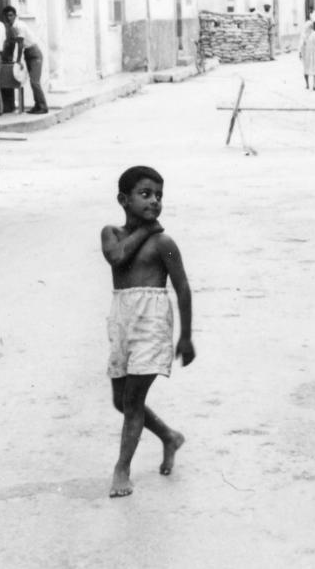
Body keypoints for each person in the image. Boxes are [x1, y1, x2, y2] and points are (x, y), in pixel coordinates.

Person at [100, 166, 195, 498]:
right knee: (120, 400)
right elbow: (117, 258)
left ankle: (121, 470)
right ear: (123, 200)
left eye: (159, 196)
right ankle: (169, 436)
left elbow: (183, 288)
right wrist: (146, 228)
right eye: (146, 194)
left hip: (152, 326)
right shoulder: (111, 233)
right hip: (122, 323)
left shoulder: (163, 243)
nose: (154, 201)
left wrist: (185, 336)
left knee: (133, 399)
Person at [2, 6, 49, 114]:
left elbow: (20, 45)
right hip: (28, 53)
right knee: (33, 82)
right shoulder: (13, 27)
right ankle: (38, 106)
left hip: (34, 53)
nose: (9, 18)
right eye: (6, 16)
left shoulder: (19, 26)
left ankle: (43, 107)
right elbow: (14, 43)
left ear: (15, 16)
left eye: (11, 15)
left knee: (34, 82)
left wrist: (18, 61)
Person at [299, 21, 315, 90]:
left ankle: (309, 85)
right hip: (313, 52)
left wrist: (300, 52)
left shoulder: (305, 34)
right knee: (314, 67)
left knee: (307, 68)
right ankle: (312, 85)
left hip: (307, 52)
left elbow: (301, 44)